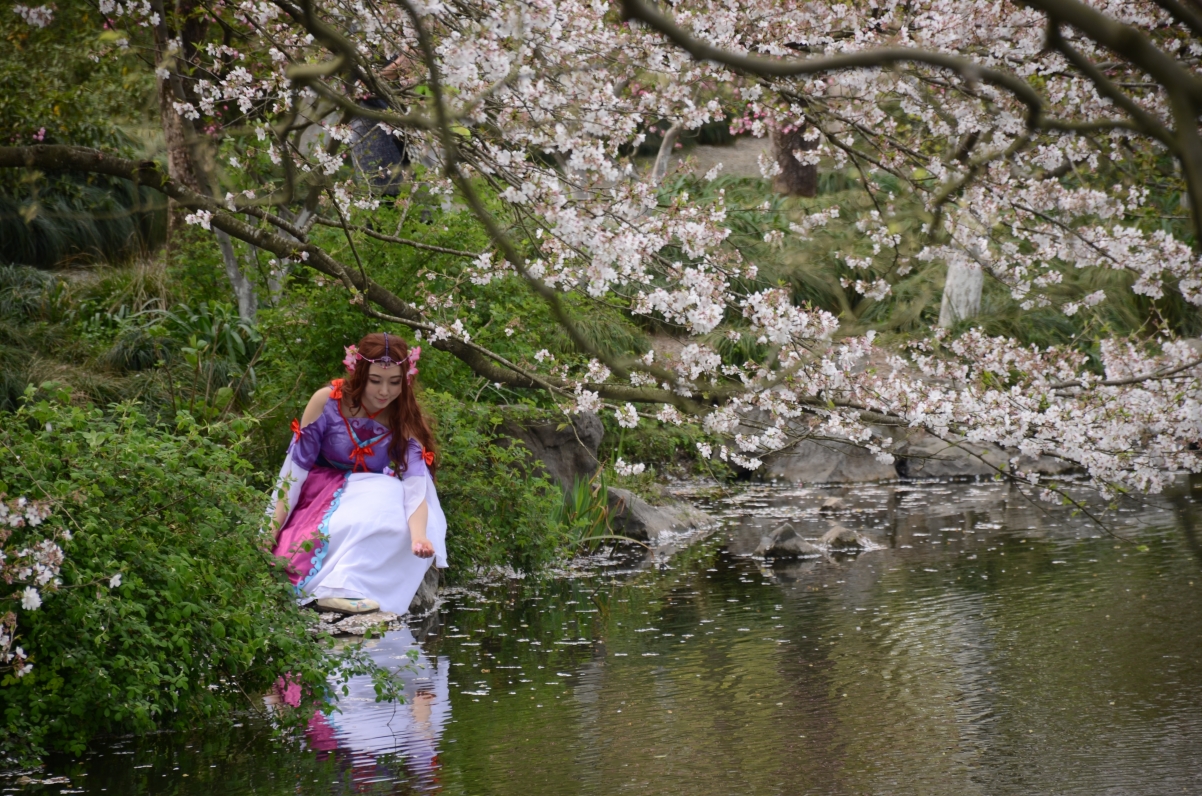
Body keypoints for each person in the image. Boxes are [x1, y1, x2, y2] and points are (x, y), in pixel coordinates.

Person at [270, 332, 447, 615]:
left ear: (407, 379)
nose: (384, 392)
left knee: (395, 518)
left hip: (372, 491)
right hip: (320, 492)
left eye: (394, 382)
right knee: (353, 519)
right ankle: (330, 588)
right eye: (375, 380)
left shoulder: (404, 418)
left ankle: (350, 588)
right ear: (359, 373)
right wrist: (272, 529)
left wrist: (418, 537)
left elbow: (416, 484)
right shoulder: (327, 401)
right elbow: (295, 470)